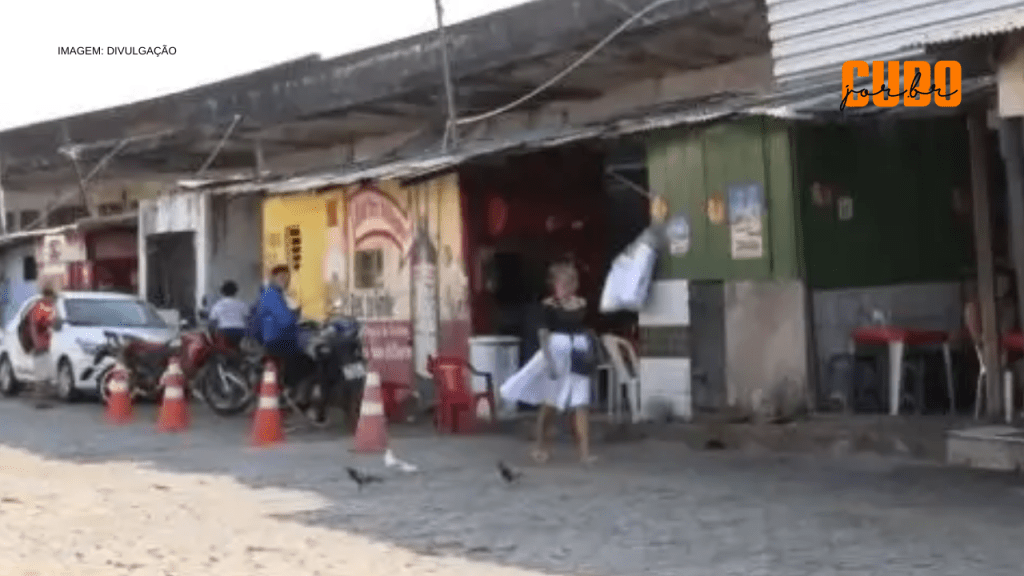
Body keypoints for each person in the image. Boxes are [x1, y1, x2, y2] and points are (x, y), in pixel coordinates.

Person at [500, 259, 598, 465]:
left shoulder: (582, 304)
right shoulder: (547, 306)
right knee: (550, 404)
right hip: (556, 356)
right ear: (554, 285)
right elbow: (544, 335)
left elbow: (588, 329)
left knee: (581, 403)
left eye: (569, 283)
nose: (564, 287)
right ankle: (540, 446)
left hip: (577, 356)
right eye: (561, 283)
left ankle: (585, 452)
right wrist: (550, 362)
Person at [258, 265, 315, 408]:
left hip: (282, 337)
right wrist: (296, 320)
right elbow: (285, 319)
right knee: (305, 362)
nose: (285, 280)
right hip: (277, 339)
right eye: (282, 277)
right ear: (274, 278)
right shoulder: (271, 294)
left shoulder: (280, 294)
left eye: (287, 277)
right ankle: (292, 393)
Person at [29, 286, 60, 409]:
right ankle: (41, 402)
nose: (53, 300)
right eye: (52, 297)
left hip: (44, 344)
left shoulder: (45, 307)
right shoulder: (41, 307)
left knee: (46, 375)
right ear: (47, 296)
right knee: (42, 376)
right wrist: (37, 343)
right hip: (40, 345)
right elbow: (38, 325)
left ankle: (43, 401)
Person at [209, 281, 248, 349]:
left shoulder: (217, 305)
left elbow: (212, 323)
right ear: (236, 291)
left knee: (226, 351)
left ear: (222, 292)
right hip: (240, 330)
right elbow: (248, 319)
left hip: (223, 331)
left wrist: (212, 337)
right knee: (238, 349)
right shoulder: (242, 304)